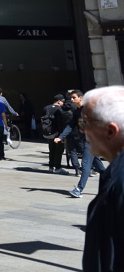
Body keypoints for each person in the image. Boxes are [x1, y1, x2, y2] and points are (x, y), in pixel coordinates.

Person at [80, 85, 124, 271]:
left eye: (85, 123)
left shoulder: (120, 180)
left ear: (110, 131)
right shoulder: (113, 173)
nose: (83, 131)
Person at [64, 89, 107, 198]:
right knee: (100, 167)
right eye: (71, 97)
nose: (71, 99)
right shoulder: (77, 111)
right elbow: (71, 125)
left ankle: (79, 189)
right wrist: (60, 137)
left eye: (74, 97)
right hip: (86, 139)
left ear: (80, 98)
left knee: (85, 164)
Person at [43, 94, 71, 174]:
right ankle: (58, 167)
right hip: (57, 132)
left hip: (49, 131)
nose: (63, 103)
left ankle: (51, 166)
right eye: (63, 101)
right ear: (59, 101)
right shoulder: (59, 109)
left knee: (51, 149)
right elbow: (60, 122)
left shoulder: (46, 108)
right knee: (59, 150)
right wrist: (62, 134)